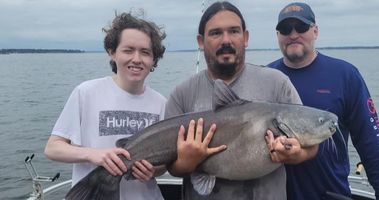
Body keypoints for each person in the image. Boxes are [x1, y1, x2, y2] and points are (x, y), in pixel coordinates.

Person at [165, 2, 318, 200]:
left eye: (234, 31)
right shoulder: (182, 94)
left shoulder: (277, 83)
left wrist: (298, 155)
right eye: (215, 33)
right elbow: (171, 167)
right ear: (201, 41)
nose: (226, 40)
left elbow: (311, 142)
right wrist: (186, 163)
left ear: (245, 37)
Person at [268, 2, 379, 199]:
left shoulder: (345, 76)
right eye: (286, 29)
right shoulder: (265, 77)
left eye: (301, 27)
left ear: (315, 31)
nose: (293, 34)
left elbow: (370, 140)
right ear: (278, 35)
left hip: (329, 194)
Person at [44, 12, 167, 200]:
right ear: (112, 52)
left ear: (153, 60)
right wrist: (93, 155)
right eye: (128, 50)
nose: (137, 59)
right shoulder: (86, 93)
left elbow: (164, 165)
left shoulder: (161, 103)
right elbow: (53, 148)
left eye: (145, 52)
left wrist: (152, 171)